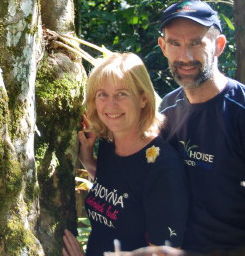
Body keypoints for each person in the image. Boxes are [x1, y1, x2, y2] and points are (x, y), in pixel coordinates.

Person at [156, 0, 245, 255]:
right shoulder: (167, 110)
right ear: (163, 47)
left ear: (219, 45)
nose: (185, 56)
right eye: (175, 43)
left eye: (196, 42)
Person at [61, 52, 188, 256]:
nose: (111, 104)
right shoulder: (108, 143)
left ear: (143, 99)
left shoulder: (161, 166)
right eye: (102, 94)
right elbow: (124, 191)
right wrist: (87, 159)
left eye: (122, 94)